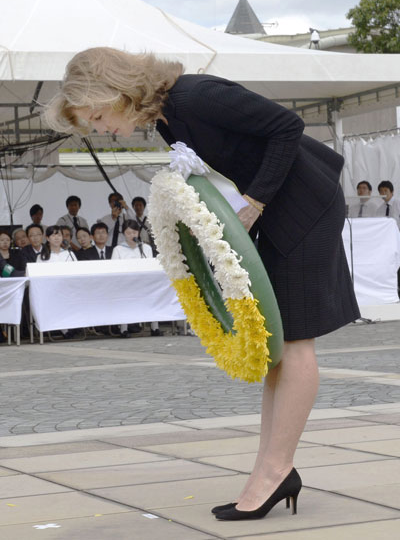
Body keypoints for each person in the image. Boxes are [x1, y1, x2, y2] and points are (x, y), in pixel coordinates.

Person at [44, 47, 360, 521]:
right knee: (276, 344)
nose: (100, 127)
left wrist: (253, 201)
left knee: (295, 343)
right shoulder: (169, 119)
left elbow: (287, 127)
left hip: (305, 208)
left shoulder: (194, 97)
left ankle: (276, 470)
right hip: (276, 212)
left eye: (97, 115)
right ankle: (271, 468)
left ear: (117, 92)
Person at [112, 219, 162, 336]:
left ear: (138, 233)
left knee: (153, 295)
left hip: (143, 283)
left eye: (134, 232)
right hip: (125, 284)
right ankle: (124, 328)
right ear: (123, 234)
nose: (131, 236)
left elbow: (149, 265)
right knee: (124, 299)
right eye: (128, 233)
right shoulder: (118, 249)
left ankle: (155, 327)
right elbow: (115, 268)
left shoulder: (146, 248)